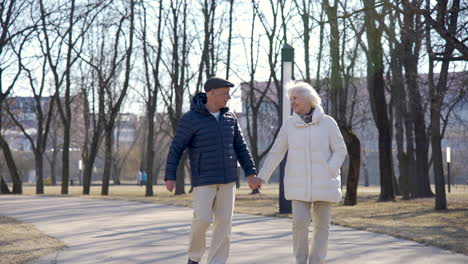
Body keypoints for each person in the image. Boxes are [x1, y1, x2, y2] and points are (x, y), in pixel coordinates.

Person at [164, 77, 261, 264]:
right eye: (225, 93)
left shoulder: (230, 118)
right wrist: (170, 176)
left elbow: (241, 147)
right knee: (202, 219)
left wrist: (251, 173)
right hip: (204, 179)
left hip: (228, 180)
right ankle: (194, 257)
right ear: (211, 93)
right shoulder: (191, 118)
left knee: (224, 225)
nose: (228, 97)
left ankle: (217, 261)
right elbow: (176, 147)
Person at [257, 81, 347, 264]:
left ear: (308, 99)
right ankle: (300, 260)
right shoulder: (290, 124)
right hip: (298, 184)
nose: (292, 103)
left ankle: (317, 260)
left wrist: (331, 168)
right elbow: (277, 151)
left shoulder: (328, 123)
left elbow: (340, 150)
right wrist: (262, 176)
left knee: (322, 226)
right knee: (299, 224)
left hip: (325, 183)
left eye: (295, 98)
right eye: (291, 99)